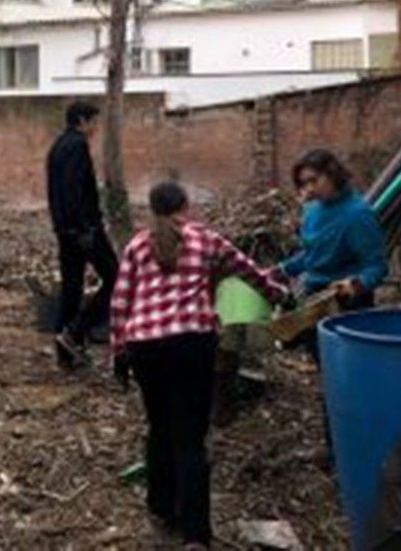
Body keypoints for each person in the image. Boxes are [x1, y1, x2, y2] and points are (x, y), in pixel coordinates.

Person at [110, 182, 289, 551]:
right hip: (192, 343)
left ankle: (161, 509)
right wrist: (282, 296)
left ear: (152, 210)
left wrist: (118, 351)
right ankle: (195, 536)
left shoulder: (136, 245)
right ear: (185, 206)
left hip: (145, 347)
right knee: (190, 437)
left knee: (159, 427)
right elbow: (249, 271)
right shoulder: (205, 239)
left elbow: (119, 302)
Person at [278, 149, 388, 352]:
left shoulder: (358, 215)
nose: (309, 189)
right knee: (320, 358)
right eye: (304, 184)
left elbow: (377, 266)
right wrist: (283, 270)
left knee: (348, 363)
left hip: (347, 304)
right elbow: (314, 255)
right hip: (315, 299)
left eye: (314, 180)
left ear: (333, 173)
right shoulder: (312, 210)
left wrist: (356, 285)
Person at [46, 101, 119, 369]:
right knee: (116, 279)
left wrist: (66, 228)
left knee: (72, 288)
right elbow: (74, 190)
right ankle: (75, 332)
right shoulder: (76, 146)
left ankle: (65, 352)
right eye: (93, 122)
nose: (95, 129)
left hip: (66, 230)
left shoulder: (56, 147)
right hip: (83, 230)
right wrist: (84, 229)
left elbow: (57, 194)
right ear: (82, 121)